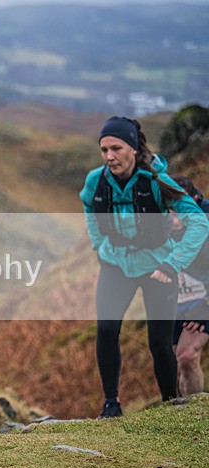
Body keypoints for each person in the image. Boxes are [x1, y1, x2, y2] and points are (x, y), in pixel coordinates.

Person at [80, 116, 209, 419]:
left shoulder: (159, 181)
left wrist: (174, 262)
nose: (109, 156)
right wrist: (99, 245)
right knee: (107, 328)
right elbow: (87, 204)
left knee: (160, 343)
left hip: (157, 265)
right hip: (116, 262)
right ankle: (111, 403)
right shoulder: (95, 180)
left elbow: (199, 222)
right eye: (104, 150)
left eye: (116, 148)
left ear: (134, 149)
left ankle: (169, 404)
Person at [170, 176, 209, 395]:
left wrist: (203, 306)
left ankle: (195, 416)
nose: (175, 219)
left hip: (203, 298)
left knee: (187, 356)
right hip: (176, 301)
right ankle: (182, 416)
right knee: (176, 365)